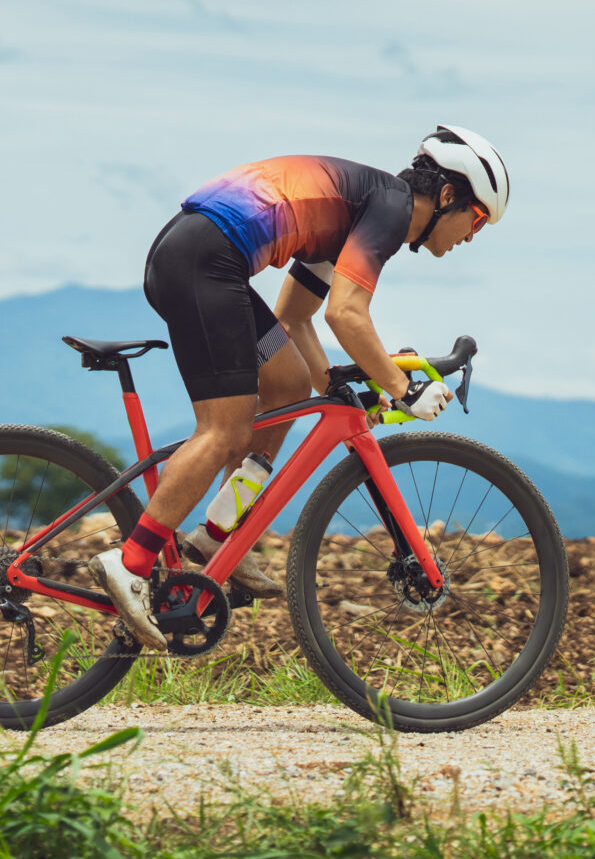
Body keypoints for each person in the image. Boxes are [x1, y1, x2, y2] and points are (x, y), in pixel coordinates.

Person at [94, 125, 512, 647]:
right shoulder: (390, 210)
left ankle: (217, 539)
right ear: (447, 195)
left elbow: (296, 317)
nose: (473, 235)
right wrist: (403, 388)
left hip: (202, 255)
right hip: (205, 262)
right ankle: (130, 562)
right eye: (475, 219)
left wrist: (337, 382)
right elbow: (348, 314)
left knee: (289, 387)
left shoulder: (363, 209)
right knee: (223, 430)